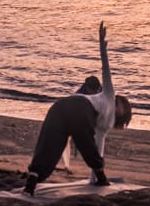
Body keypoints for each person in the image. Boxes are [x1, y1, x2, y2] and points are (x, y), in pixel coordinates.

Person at [24, 22, 132, 195]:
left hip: (62, 107)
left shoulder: (104, 125)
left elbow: (98, 148)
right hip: (74, 106)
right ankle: (34, 176)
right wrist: (102, 43)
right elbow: (106, 70)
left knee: (62, 144)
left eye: (123, 109)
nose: (119, 107)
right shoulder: (109, 95)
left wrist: (93, 178)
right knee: (48, 146)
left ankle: (31, 183)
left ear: (124, 116)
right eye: (120, 104)